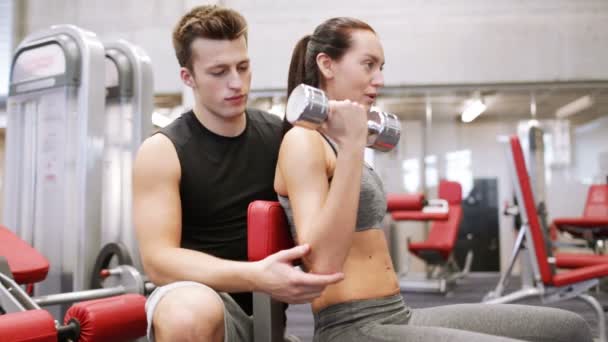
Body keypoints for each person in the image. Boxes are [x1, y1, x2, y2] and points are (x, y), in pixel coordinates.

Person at [275, 17, 594, 342]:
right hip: (351, 327)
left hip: (397, 312)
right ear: (327, 65)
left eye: (381, 66)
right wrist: (354, 146)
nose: (380, 79)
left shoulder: (342, 142)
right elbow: (324, 264)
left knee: (572, 328)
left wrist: (351, 143)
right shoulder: (304, 142)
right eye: (368, 65)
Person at [132, 6, 344, 342]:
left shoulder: (282, 137)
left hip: (269, 316)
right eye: (218, 72)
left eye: (242, 67)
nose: (236, 82)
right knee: (189, 313)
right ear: (188, 78)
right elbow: (158, 261)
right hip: (199, 296)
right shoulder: (162, 151)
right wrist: (256, 277)